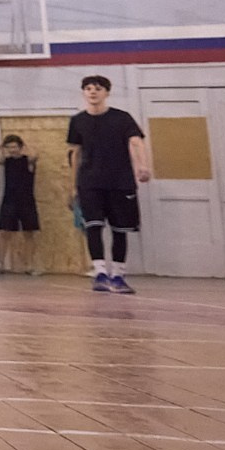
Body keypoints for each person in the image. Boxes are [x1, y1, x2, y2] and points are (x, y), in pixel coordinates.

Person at [67, 74, 150, 294]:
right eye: (88, 88)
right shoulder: (78, 121)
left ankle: (119, 275)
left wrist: (142, 165)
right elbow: (75, 153)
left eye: (98, 88)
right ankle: (100, 273)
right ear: (84, 92)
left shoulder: (122, 118)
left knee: (119, 230)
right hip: (90, 183)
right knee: (93, 227)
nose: (93, 92)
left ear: (107, 92)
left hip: (120, 182)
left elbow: (136, 141)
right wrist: (73, 185)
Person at [0, 129, 41, 275]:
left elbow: (35, 155)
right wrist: (1, 145)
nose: (12, 150)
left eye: (14, 146)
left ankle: (30, 266)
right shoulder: (6, 161)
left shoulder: (28, 160)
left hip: (27, 201)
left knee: (29, 233)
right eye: (9, 147)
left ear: (20, 147)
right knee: (4, 232)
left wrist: (24, 145)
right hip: (9, 201)